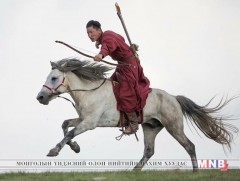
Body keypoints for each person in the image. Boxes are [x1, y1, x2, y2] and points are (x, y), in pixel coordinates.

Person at [86, 20, 151, 135]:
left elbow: (109, 45)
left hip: (129, 66)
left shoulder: (107, 38)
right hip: (123, 65)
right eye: (88, 33)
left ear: (99, 30)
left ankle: (133, 123)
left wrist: (101, 54)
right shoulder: (107, 35)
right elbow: (120, 39)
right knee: (110, 85)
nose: (89, 36)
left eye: (91, 32)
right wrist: (99, 42)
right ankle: (120, 114)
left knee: (125, 93)